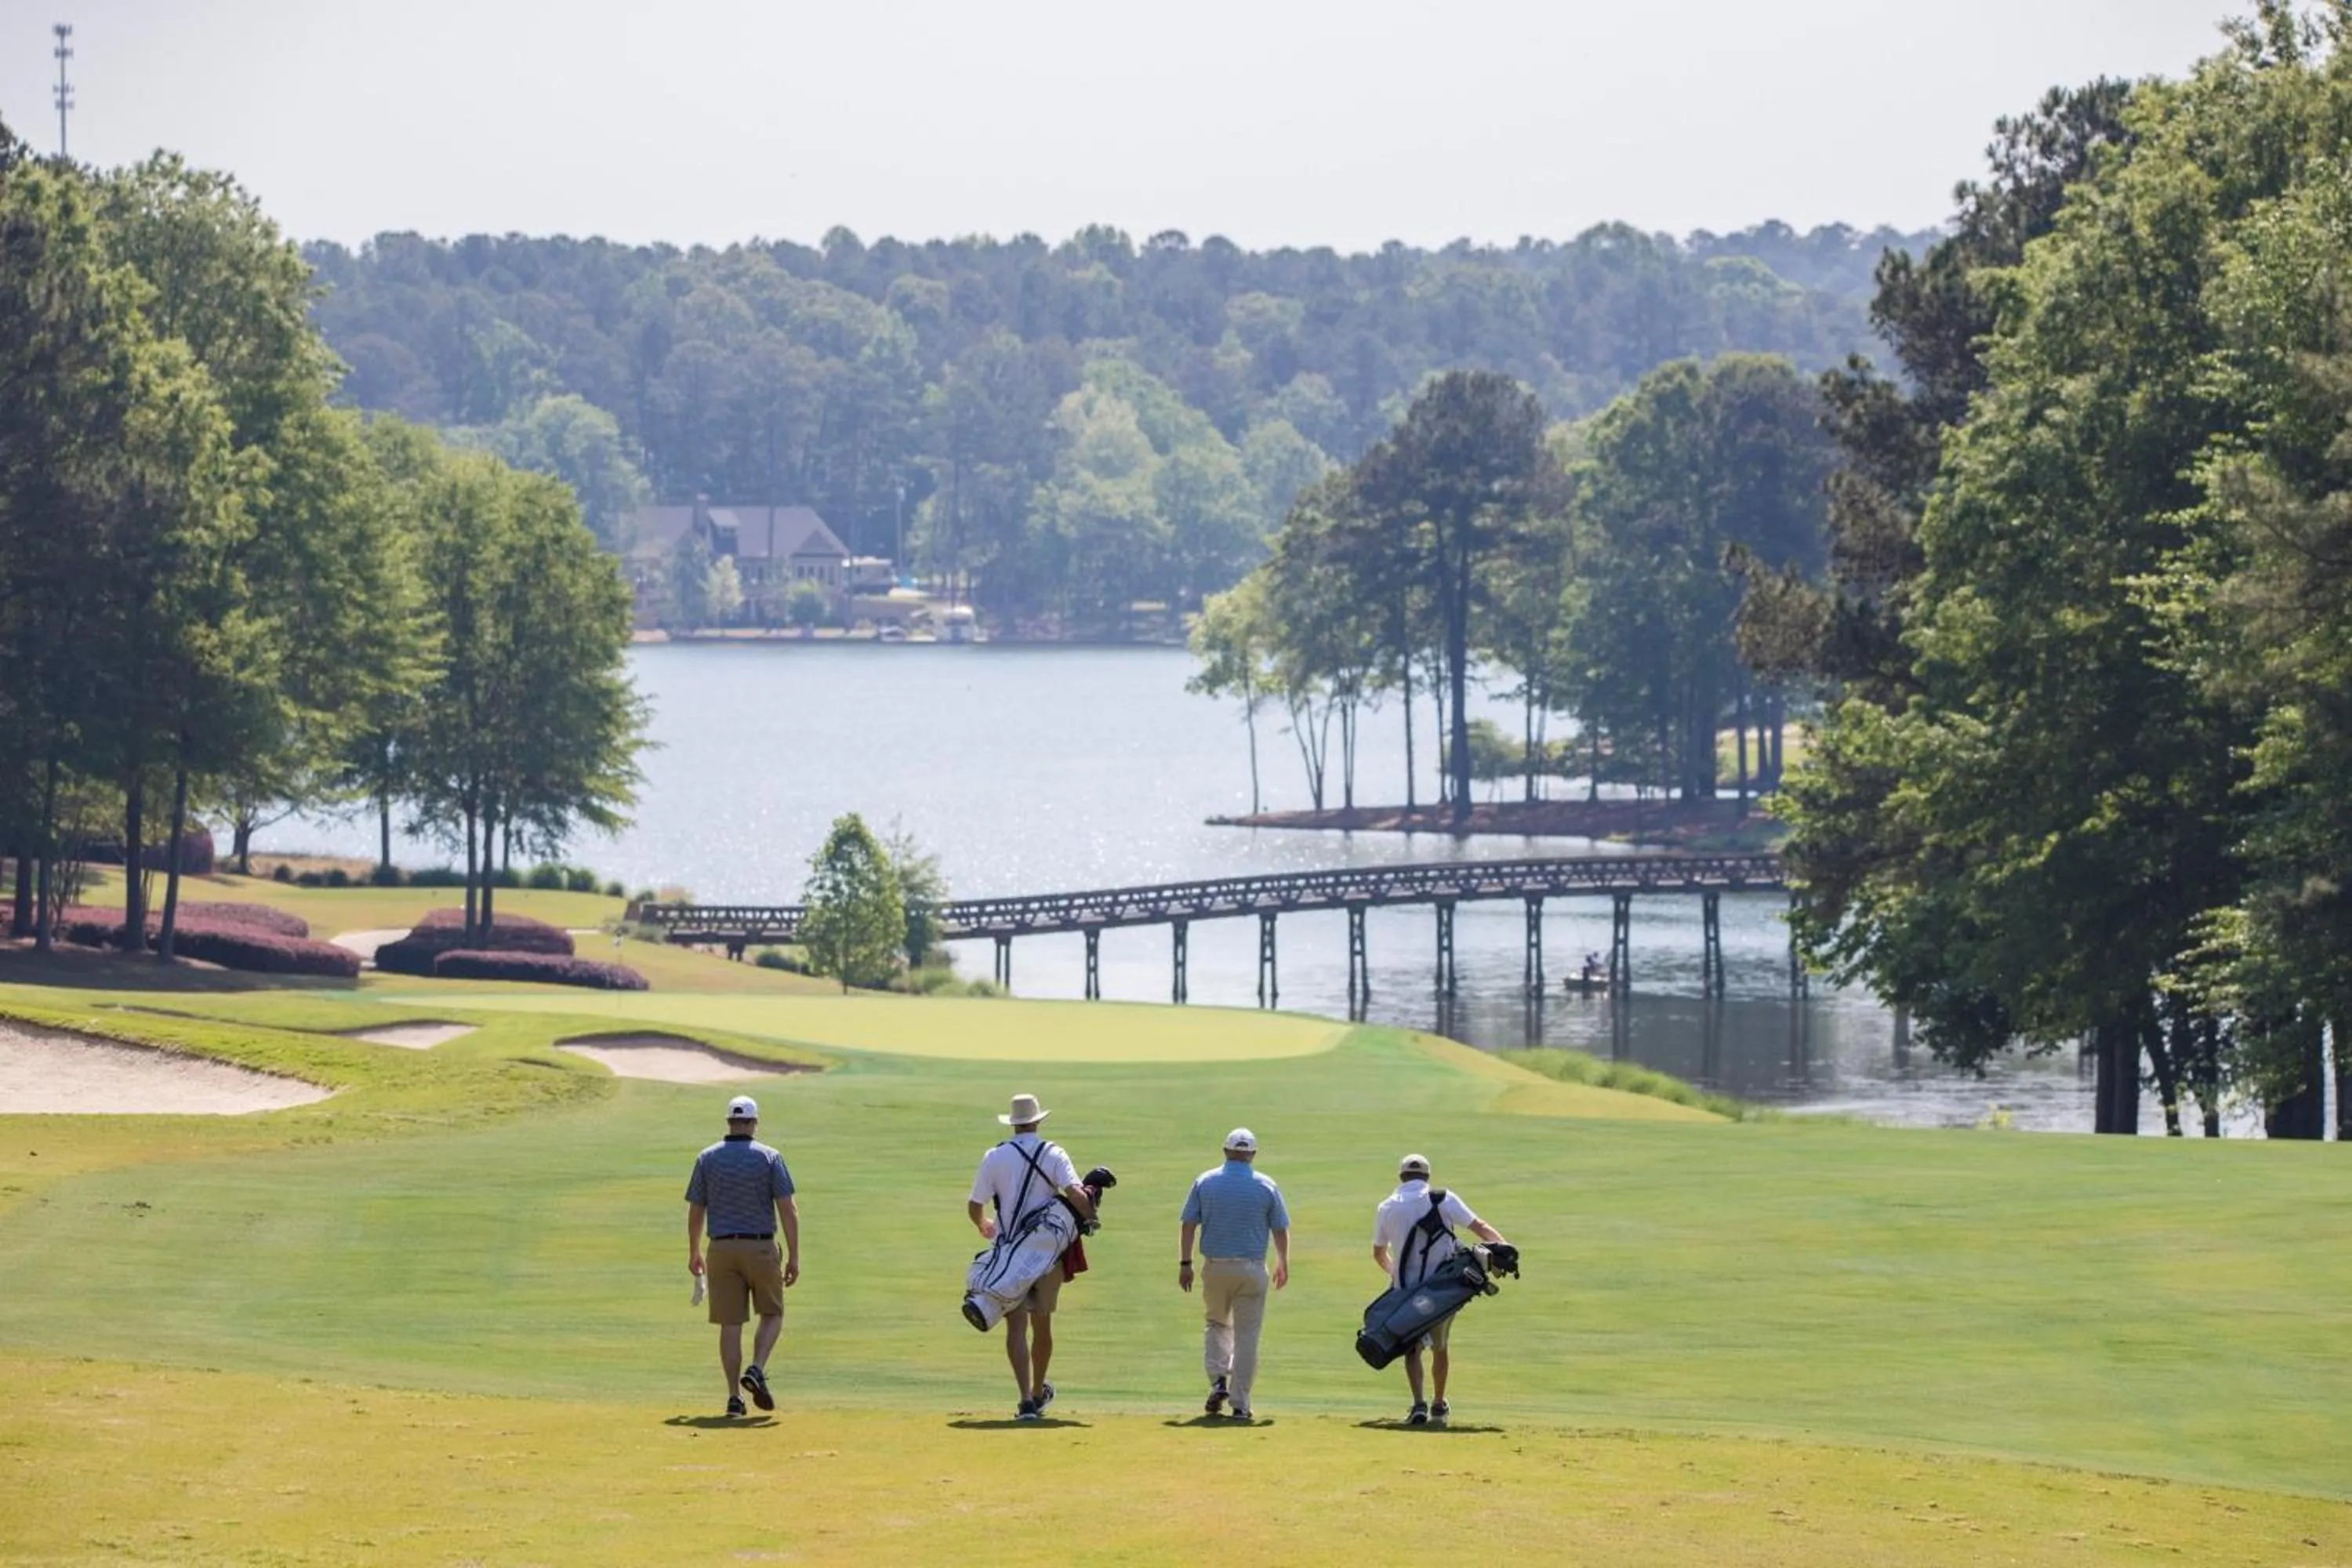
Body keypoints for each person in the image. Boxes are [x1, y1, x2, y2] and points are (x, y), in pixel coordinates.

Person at [965, 1092, 1095, 1421]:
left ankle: (1025, 1399)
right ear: (1037, 1121)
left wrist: (985, 1225)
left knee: (1016, 1327)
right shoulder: (1053, 1152)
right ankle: (1038, 1393)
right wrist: (1091, 1218)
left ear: (1013, 1124)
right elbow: (1075, 1194)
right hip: (1046, 1256)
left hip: (1010, 1253)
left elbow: (975, 1205)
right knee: (1043, 1325)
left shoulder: (994, 1157)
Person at [684, 1093, 800, 1417]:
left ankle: (734, 1397)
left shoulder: (707, 1158)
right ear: (754, 1123)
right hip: (761, 1247)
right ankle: (757, 1368)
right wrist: (794, 1256)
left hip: (720, 1249)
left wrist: (694, 1251)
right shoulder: (769, 1157)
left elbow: (696, 1210)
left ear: (729, 1123)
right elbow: (788, 1209)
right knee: (773, 1313)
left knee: (730, 1324)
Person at [1371, 1152, 1505, 1426]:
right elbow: (1478, 1227)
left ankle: (1418, 1404)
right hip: (1443, 1292)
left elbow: (1379, 1253)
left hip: (1406, 1292)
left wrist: (1395, 1274)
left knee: (1411, 1347)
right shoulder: (1443, 1199)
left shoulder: (1386, 1207)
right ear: (1427, 1177)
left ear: (1401, 1177)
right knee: (1441, 1347)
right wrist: (1504, 1246)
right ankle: (1438, 1405)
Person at [1178, 1127, 1290, 1422]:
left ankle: (1218, 1381)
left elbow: (1188, 1223)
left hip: (1215, 1267)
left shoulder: (1205, 1181)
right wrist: (1283, 1262)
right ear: (1252, 1154)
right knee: (1247, 1337)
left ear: (1226, 1151)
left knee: (1216, 1324)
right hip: (1252, 1268)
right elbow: (1280, 1228)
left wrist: (1185, 1263)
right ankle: (1240, 1404)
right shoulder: (1266, 1185)